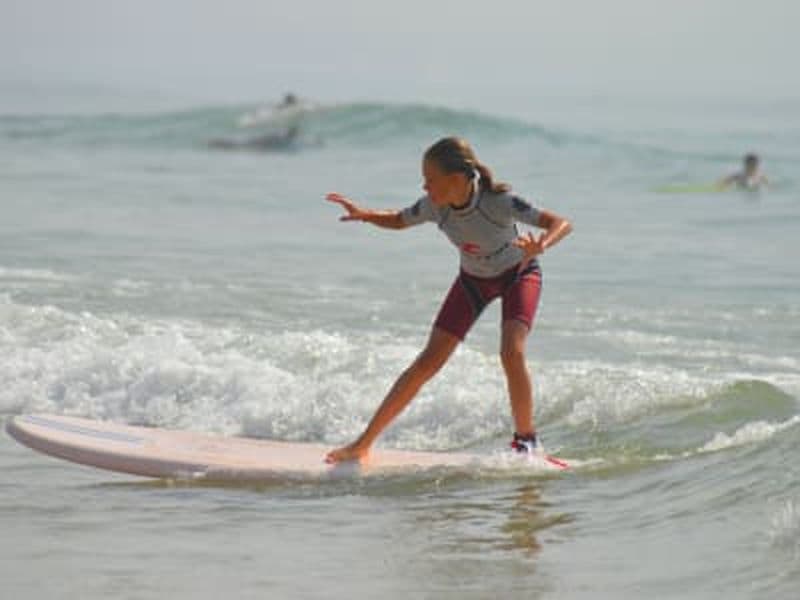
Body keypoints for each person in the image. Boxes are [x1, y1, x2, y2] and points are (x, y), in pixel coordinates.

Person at [324, 136, 573, 463]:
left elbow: (559, 223)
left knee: (511, 352)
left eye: (430, 180)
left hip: (518, 275)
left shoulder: (498, 202)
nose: (425, 187)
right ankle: (363, 444)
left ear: (455, 179)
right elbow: (399, 219)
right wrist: (367, 214)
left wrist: (542, 244)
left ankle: (526, 441)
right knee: (427, 362)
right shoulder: (434, 207)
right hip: (473, 282)